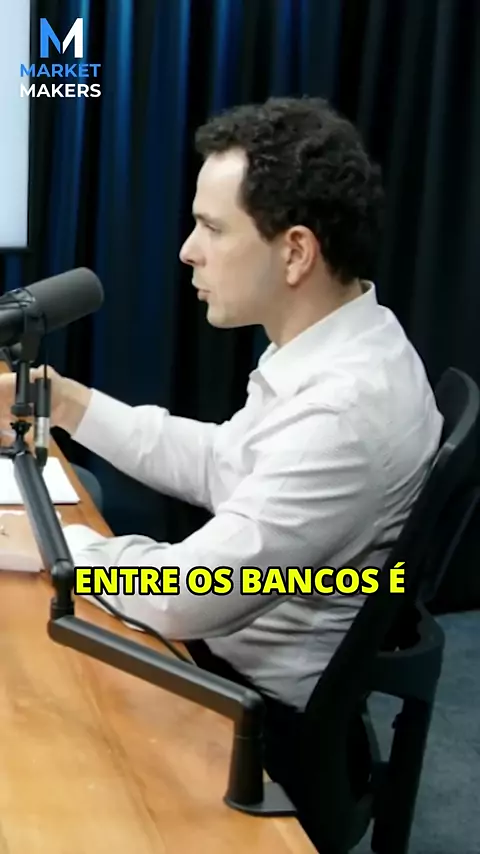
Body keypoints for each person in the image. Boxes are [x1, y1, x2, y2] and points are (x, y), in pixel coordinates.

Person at [0, 95, 443, 716]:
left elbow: (186, 596)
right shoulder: (348, 339)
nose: (188, 250)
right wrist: (62, 400)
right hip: (216, 652)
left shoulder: (344, 412)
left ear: (295, 252)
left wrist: (60, 546)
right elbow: (221, 463)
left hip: (242, 703)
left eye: (212, 228)